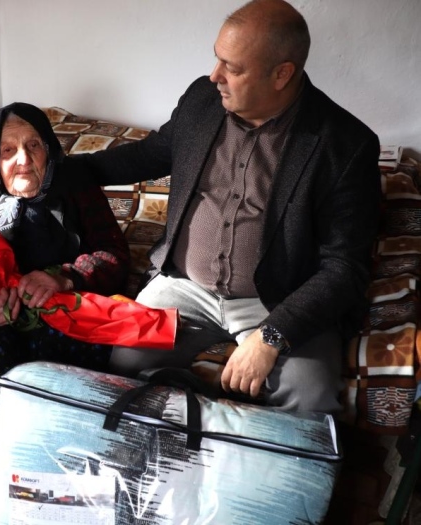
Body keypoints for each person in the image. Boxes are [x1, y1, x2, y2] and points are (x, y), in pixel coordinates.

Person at [76, 0, 381, 414]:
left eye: (232, 68)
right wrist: (61, 172)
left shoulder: (344, 143)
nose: (214, 75)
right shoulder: (202, 101)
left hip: (277, 298)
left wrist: (272, 335)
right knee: (122, 366)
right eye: (217, 59)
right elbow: (149, 155)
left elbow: (345, 267)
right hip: (184, 286)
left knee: (309, 397)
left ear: (282, 74)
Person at [0, 102, 130, 523]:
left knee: (64, 394)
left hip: (63, 309)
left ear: (50, 148)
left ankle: (62, 506)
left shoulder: (76, 185)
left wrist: (66, 276)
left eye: (33, 146)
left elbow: (115, 255)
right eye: (8, 150)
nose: (23, 160)